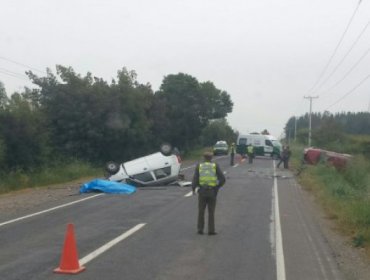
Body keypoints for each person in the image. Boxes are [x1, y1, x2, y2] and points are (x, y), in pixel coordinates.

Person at [192, 152, 226, 235]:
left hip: (202, 191)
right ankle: (211, 230)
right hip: (212, 192)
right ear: (211, 158)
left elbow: (195, 179)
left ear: (204, 157)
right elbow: (222, 179)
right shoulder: (215, 165)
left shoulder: (199, 166)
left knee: (201, 211)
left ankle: (200, 229)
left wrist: (194, 189)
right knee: (211, 212)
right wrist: (217, 187)